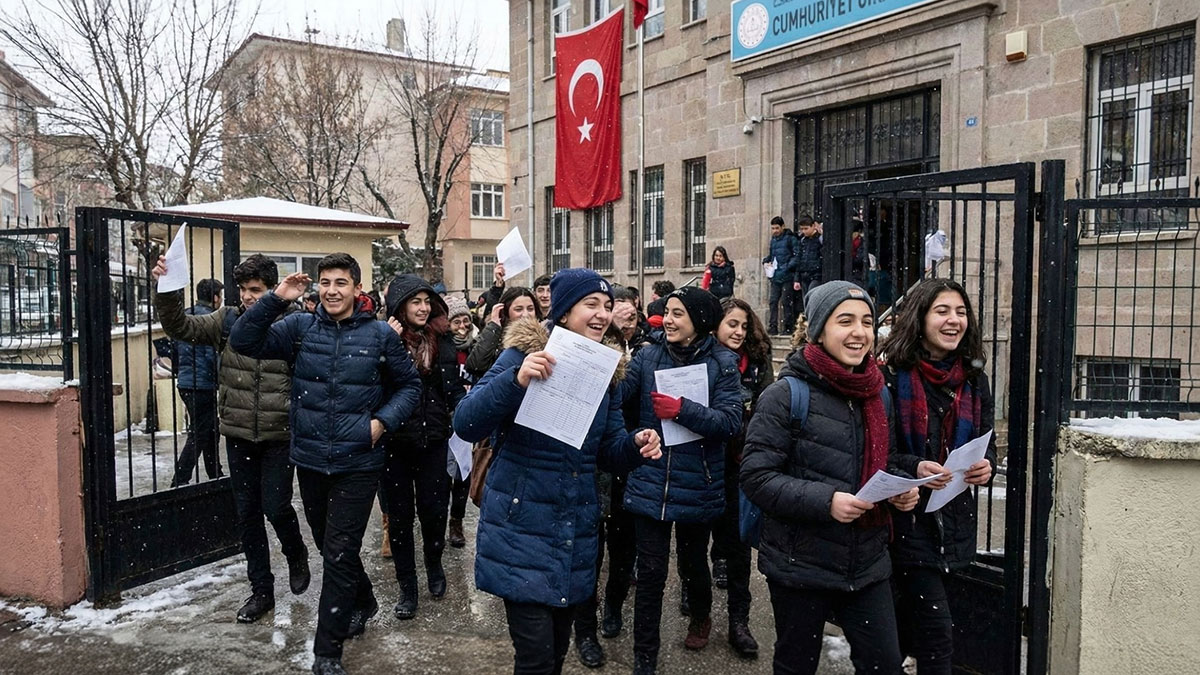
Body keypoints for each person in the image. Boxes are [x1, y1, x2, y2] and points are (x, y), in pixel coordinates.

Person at [453, 268, 663, 675]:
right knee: (534, 658)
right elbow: (466, 422)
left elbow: (608, 451)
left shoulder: (608, 373)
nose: (603, 314)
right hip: (521, 527)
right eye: (591, 305)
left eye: (608, 305)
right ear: (565, 312)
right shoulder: (521, 356)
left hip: (573, 529)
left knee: (555, 654)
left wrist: (636, 446)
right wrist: (516, 380)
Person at [230, 252, 422, 675]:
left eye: (341, 282)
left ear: (357, 288)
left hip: (359, 460)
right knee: (325, 543)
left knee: (338, 552)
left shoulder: (379, 336)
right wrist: (277, 298)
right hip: (312, 459)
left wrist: (381, 424)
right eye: (325, 282)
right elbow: (243, 341)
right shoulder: (299, 327)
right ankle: (364, 598)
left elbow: (409, 387)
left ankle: (327, 652)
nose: (332, 290)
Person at [740, 280, 919, 675]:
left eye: (868, 321)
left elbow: (882, 463)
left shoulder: (878, 392)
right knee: (796, 666)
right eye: (845, 321)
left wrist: (901, 487)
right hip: (799, 562)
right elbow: (756, 477)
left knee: (884, 665)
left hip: (868, 562)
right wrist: (827, 501)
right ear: (819, 330)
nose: (859, 332)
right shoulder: (785, 395)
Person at [152, 255, 310, 624]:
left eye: (256, 290)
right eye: (242, 290)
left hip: (278, 434)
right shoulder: (227, 321)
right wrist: (167, 286)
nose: (248, 297)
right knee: (247, 514)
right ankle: (261, 590)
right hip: (238, 433)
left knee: (276, 506)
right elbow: (178, 326)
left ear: (273, 288)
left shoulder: (294, 324)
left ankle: (295, 551)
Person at [618, 286, 744, 675]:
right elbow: (620, 397)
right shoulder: (648, 355)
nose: (668, 320)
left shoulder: (722, 362)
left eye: (677, 314)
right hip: (650, 478)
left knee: (693, 565)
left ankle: (701, 616)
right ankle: (645, 657)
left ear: (699, 323)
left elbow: (730, 422)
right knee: (652, 572)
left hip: (698, 482)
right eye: (667, 313)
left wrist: (683, 410)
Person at [879, 279, 996, 675]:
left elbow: (987, 440)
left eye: (961, 312)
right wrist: (914, 468)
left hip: (953, 522)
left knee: (901, 637)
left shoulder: (975, 379)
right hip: (903, 524)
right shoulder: (892, 377)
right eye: (942, 311)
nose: (954, 320)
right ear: (920, 317)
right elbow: (878, 452)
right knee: (935, 638)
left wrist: (987, 465)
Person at [382, 275, 470, 620]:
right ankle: (407, 587)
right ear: (400, 306)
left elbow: (455, 389)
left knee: (434, 513)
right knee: (400, 519)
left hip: (434, 439)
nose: (421, 308)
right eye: (414, 302)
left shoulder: (443, 338)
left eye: (426, 301)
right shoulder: (384, 338)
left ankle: (434, 566)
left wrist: (465, 414)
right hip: (395, 443)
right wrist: (385, 345)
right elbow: (372, 382)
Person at [708, 297, 773, 658]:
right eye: (732, 324)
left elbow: (766, 404)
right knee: (696, 536)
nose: (738, 332)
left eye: (744, 326)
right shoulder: (702, 357)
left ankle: (739, 621)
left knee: (736, 546)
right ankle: (696, 601)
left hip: (740, 460)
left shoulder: (758, 360)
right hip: (705, 460)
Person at [171, 277, 224, 487]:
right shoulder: (211, 319)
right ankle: (180, 480)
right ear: (215, 297)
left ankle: (215, 475)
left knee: (211, 429)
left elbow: (175, 349)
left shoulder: (186, 315)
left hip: (186, 382)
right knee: (201, 432)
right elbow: (212, 356)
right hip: (203, 384)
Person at [445, 295, 477, 549]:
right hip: (444, 416)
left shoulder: (475, 346)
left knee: (462, 474)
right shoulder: (443, 347)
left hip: (468, 417)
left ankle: (456, 521)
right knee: (442, 473)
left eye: (466, 320)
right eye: (456, 321)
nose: (462, 326)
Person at [466, 286, 544, 379]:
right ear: (506, 312)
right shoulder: (492, 334)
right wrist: (494, 327)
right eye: (518, 309)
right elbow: (475, 365)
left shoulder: (544, 336)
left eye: (530, 309)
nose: (525, 314)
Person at [763, 215, 800, 335]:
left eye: (777, 228)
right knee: (773, 301)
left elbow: (796, 255)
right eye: (773, 228)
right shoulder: (773, 240)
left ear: (783, 227)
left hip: (787, 276)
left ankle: (788, 326)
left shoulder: (790, 239)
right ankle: (773, 326)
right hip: (775, 276)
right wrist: (766, 261)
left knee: (786, 301)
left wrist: (787, 266)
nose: (775, 231)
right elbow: (772, 255)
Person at [794, 216, 823, 312]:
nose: (804, 231)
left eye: (806, 228)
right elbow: (799, 259)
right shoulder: (803, 241)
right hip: (805, 274)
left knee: (812, 298)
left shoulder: (819, 239)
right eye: (802, 229)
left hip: (815, 274)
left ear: (813, 226)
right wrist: (797, 279)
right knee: (806, 300)